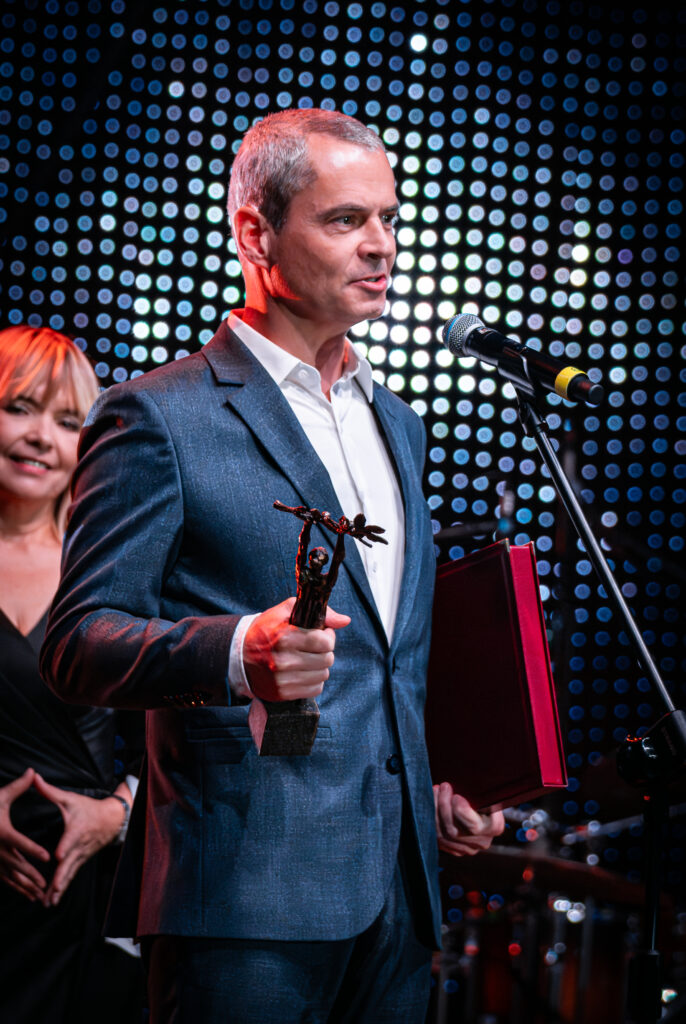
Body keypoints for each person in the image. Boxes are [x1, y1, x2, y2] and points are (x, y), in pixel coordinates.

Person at [41, 109, 504, 1023]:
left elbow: (386, 662)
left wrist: (440, 785)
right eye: (345, 220)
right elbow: (77, 643)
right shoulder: (158, 416)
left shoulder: (399, 425)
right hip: (242, 900)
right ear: (256, 234)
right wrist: (234, 651)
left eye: (389, 218)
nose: (382, 246)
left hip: (400, 900)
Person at [0, 325, 145, 1022]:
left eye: (66, 422)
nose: (40, 438)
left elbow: (171, 733)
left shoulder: (107, 572)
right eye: (19, 408)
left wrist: (113, 815)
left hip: (82, 901)